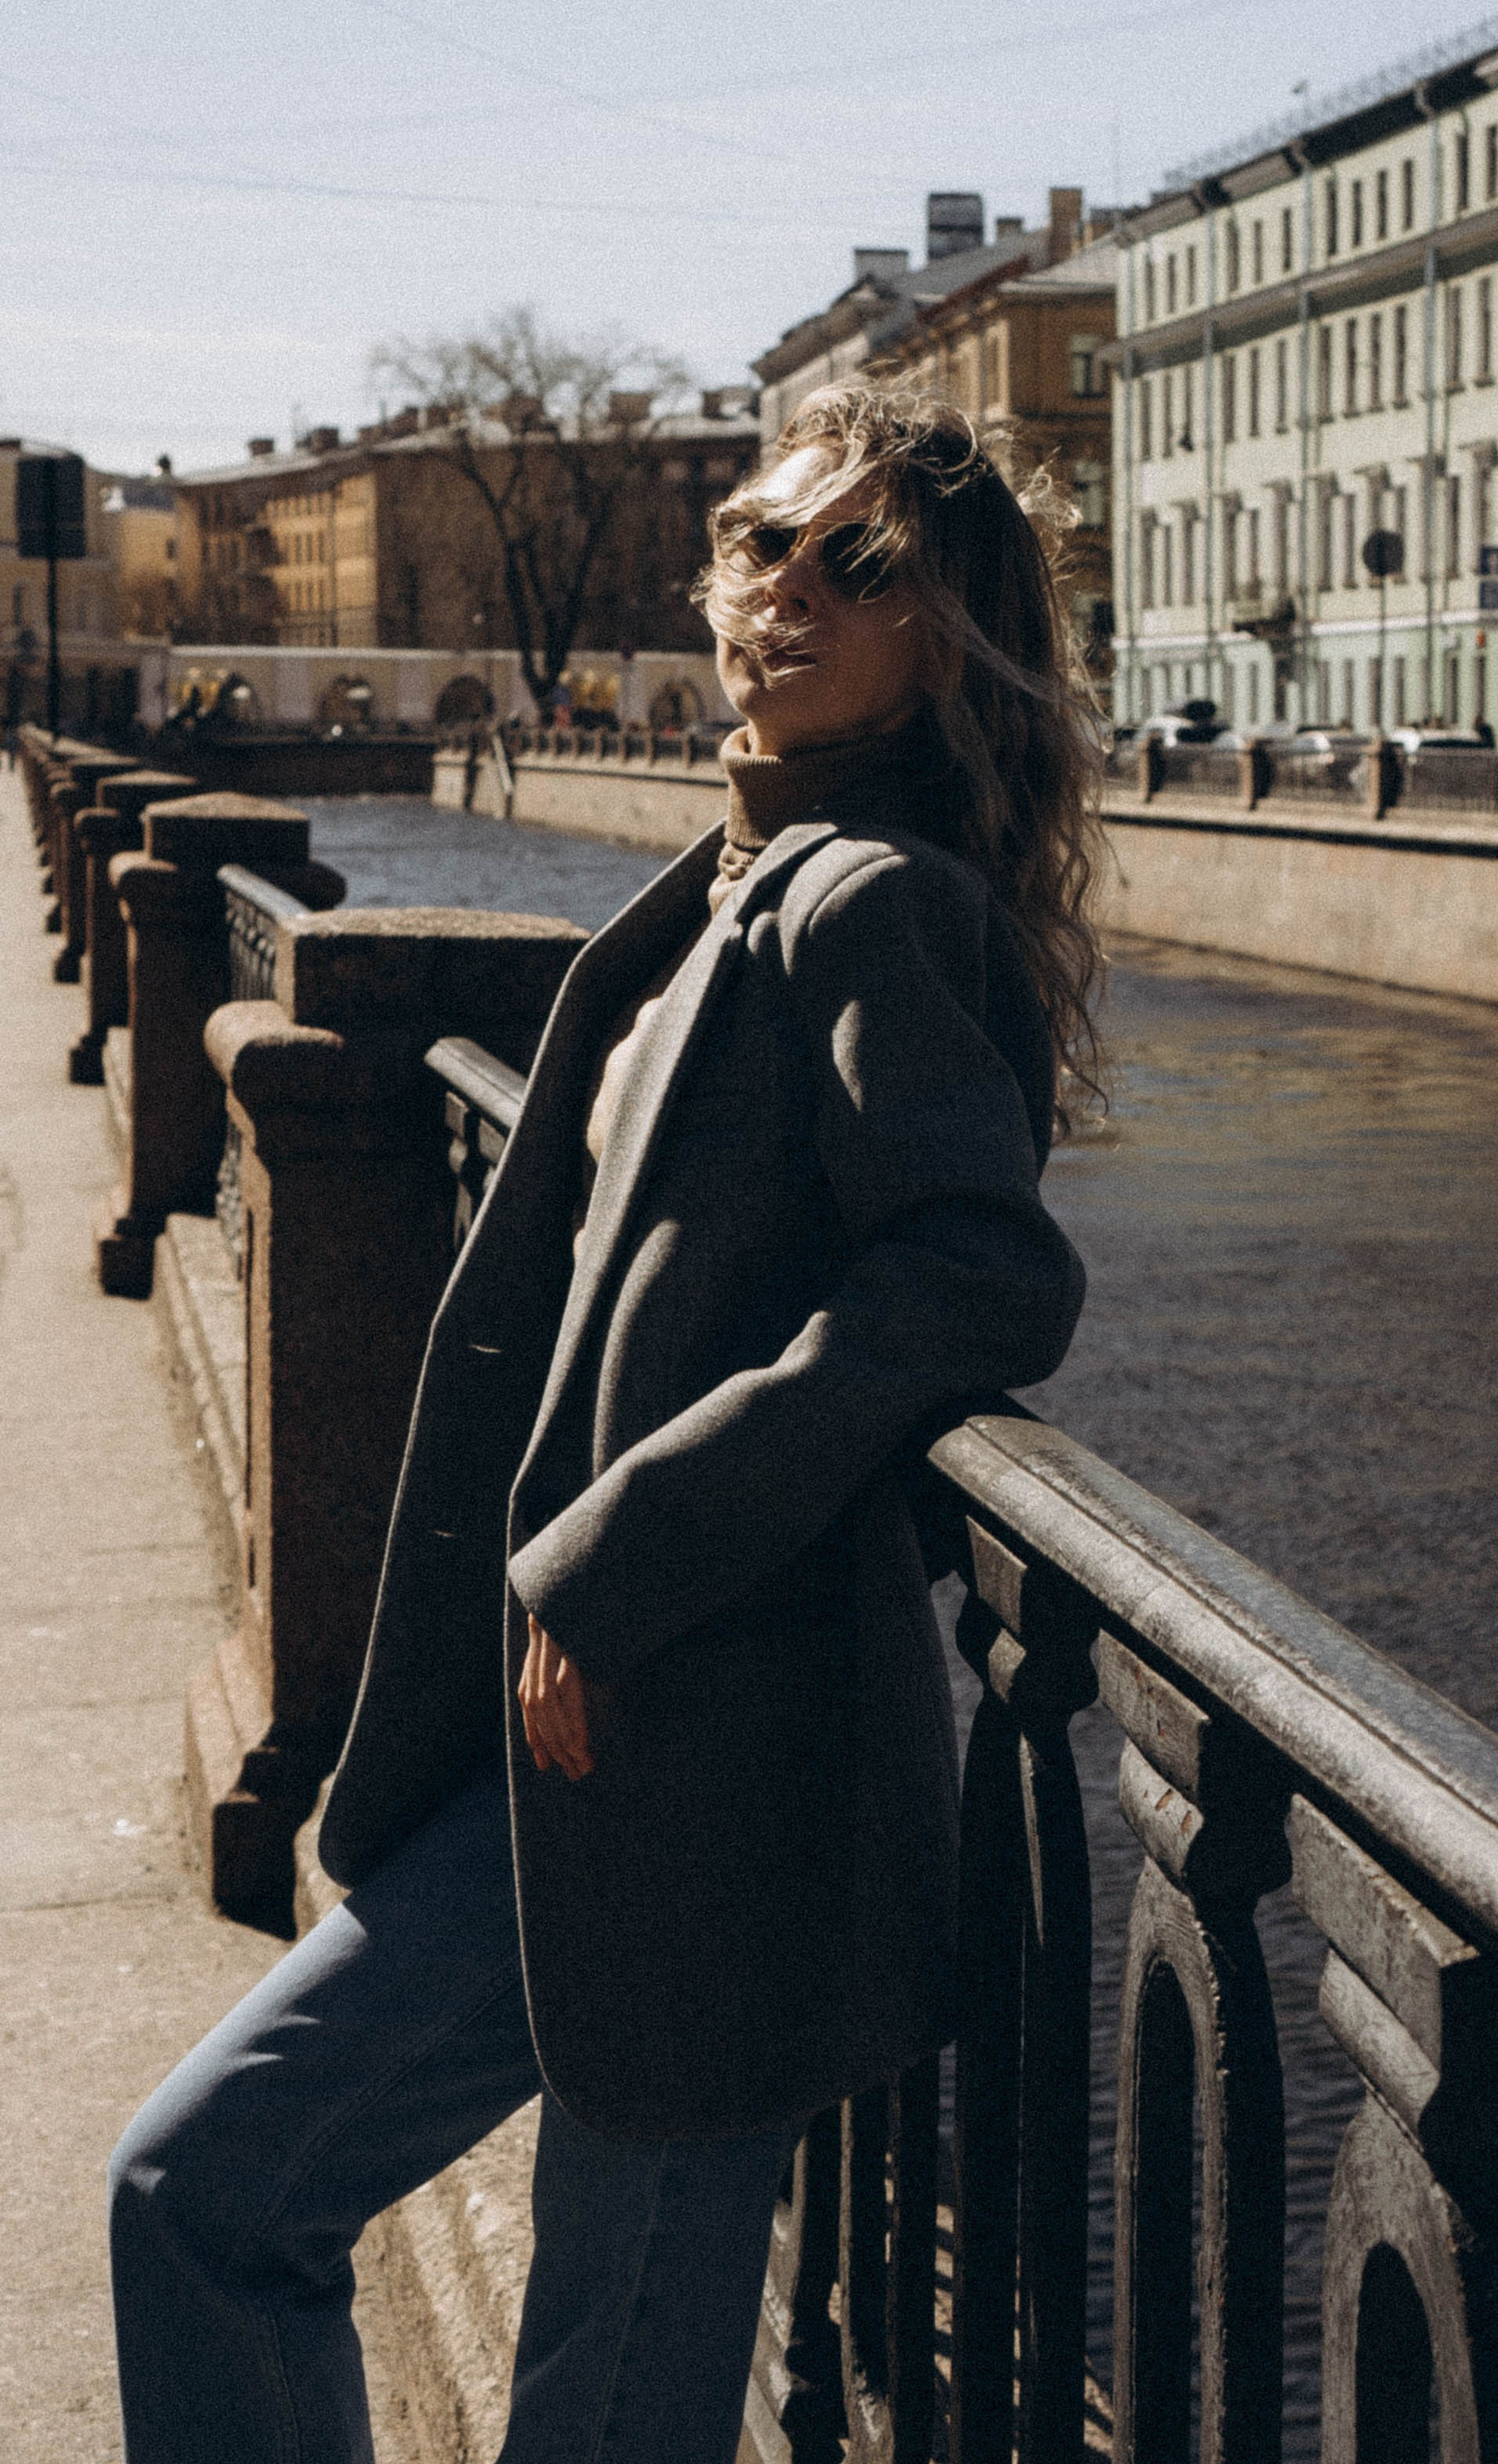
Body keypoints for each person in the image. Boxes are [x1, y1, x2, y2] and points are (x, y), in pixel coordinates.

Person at [108, 381, 1104, 2464]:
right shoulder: (745, 876)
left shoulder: (875, 901)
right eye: (761, 541)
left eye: (857, 564)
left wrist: (618, 1558)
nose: (784, 590)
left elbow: (975, 1275)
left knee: (340, 2266)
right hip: (591, 1753)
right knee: (226, 2205)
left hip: (710, 1766)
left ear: (952, 637)